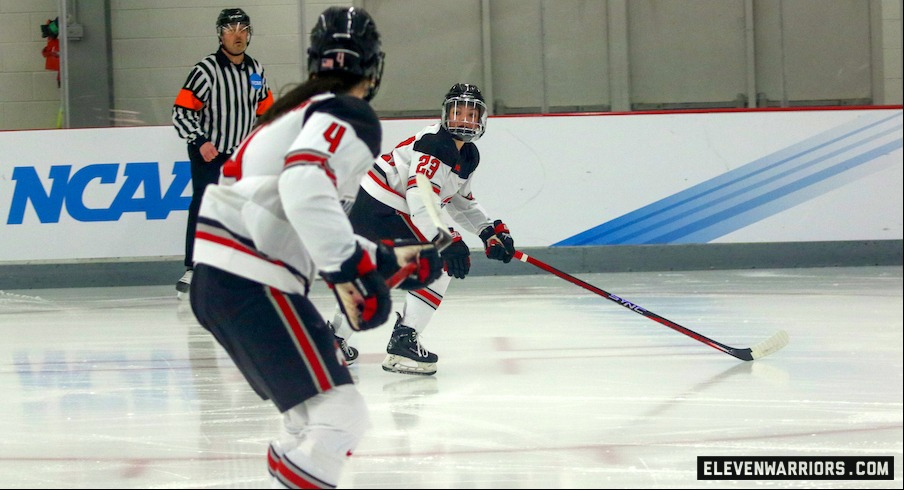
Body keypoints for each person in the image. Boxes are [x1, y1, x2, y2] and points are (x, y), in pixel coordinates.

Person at [188, 7, 442, 487]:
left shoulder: (289, 114)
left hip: (219, 282)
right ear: (373, 67)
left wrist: (390, 260)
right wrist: (348, 273)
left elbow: (296, 214)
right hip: (251, 284)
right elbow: (305, 187)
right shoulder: (346, 112)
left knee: (305, 425)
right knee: (342, 416)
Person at [329, 83, 517, 376]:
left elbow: (458, 199)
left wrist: (487, 231)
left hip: (375, 207)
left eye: (471, 114)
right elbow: (421, 198)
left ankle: (333, 341)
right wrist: (448, 240)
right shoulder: (435, 143)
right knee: (437, 266)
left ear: (481, 120)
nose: (464, 120)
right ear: (445, 115)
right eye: (457, 112)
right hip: (380, 207)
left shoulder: (468, 155)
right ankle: (403, 344)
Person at [172, 7, 274, 298]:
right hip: (210, 154)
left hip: (241, 157)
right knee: (205, 208)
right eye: (231, 29)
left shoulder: (256, 70)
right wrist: (200, 140)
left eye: (243, 29)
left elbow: (266, 112)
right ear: (221, 34)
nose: (238, 35)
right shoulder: (206, 70)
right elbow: (181, 112)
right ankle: (194, 269)